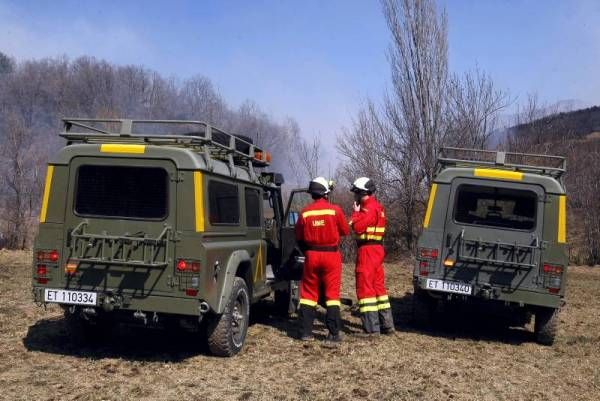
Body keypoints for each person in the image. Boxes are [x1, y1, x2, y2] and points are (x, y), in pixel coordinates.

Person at [295, 177, 350, 344]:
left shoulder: (305, 212)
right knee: (332, 294)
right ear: (326, 193)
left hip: (311, 255)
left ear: (312, 193)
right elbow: (345, 231)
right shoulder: (335, 210)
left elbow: (298, 236)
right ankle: (333, 334)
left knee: (308, 294)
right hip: (331, 256)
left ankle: (305, 333)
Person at [349, 177, 395, 336]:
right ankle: (387, 325)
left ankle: (371, 329)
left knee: (365, 288)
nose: (354, 196)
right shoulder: (378, 207)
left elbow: (358, 227)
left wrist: (355, 215)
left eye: (355, 193)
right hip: (377, 250)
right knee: (378, 288)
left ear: (361, 193)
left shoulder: (368, 209)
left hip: (367, 251)